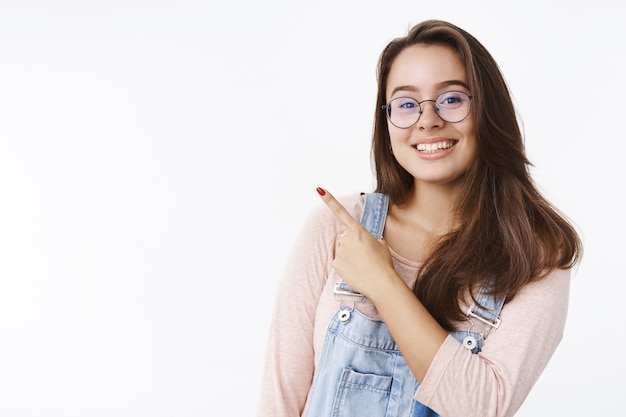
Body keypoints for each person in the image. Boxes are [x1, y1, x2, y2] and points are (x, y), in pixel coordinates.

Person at [256, 19, 582, 417]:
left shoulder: (536, 256)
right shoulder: (336, 228)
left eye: (452, 99)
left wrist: (382, 282)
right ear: (387, 121)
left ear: (488, 109)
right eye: (407, 104)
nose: (427, 120)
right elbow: (279, 402)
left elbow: (484, 408)